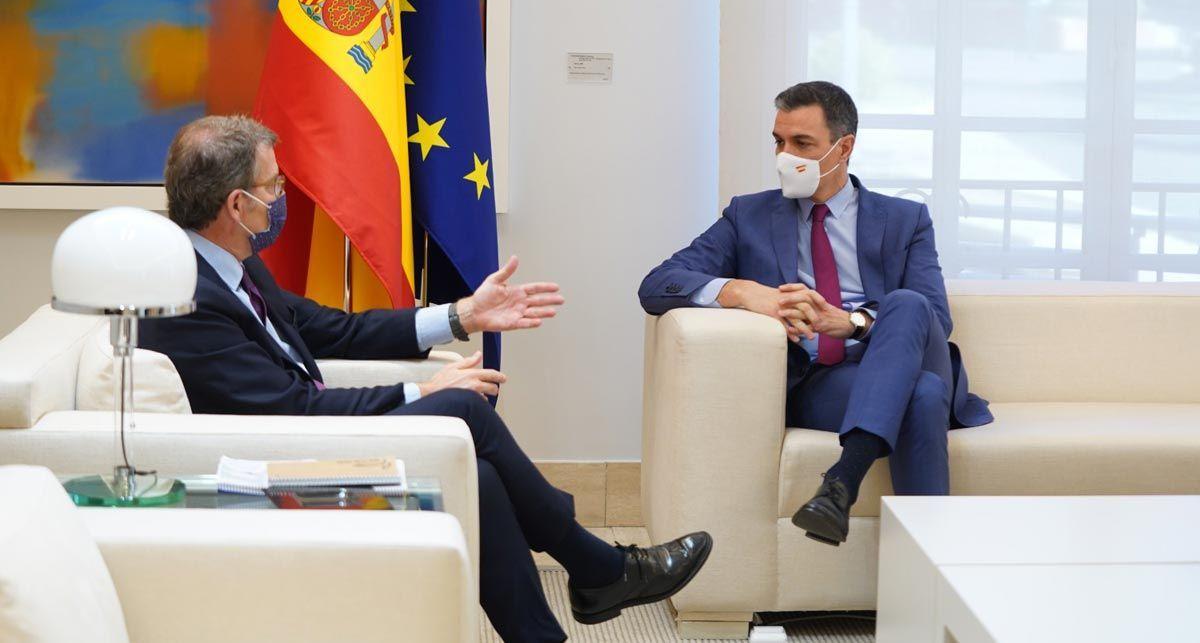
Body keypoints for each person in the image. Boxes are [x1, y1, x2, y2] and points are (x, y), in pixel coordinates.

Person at [140, 115, 712, 643]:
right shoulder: (186, 295)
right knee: (462, 410)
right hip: (272, 469)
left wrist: (461, 315)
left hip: (306, 438)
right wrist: (425, 393)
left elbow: (331, 330)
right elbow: (290, 410)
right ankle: (597, 565)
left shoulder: (229, 261)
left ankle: (557, 619)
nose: (283, 196)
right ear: (237, 205)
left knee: (482, 477)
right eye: (274, 186)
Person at [639, 81, 991, 547]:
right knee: (922, 396)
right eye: (779, 142)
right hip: (823, 382)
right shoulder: (750, 216)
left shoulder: (905, 219)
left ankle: (843, 477)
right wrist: (743, 292)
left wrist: (851, 323)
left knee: (908, 304)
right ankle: (923, 579)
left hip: (893, 351)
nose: (786, 155)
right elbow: (658, 283)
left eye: (802, 143)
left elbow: (936, 319)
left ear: (843, 148)